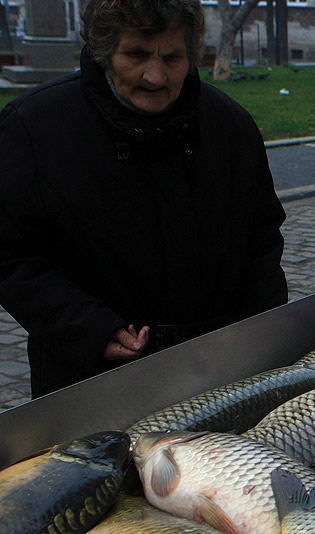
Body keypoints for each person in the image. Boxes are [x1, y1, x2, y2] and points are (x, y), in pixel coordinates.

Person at [0, 0, 287, 398]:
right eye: (135, 54)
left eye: (172, 57)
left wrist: (265, 342)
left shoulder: (231, 126)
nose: (155, 76)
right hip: (90, 383)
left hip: (219, 376)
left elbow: (262, 243)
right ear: (104, 51)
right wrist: (90, 328)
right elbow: (9, 256)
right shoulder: (34, 128)